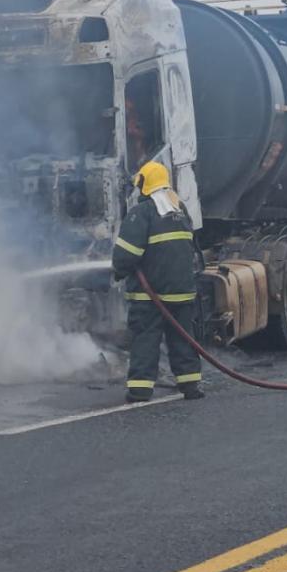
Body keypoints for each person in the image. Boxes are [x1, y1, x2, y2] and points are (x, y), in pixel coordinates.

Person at [112, 161, 205, 402]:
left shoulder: (142, 213)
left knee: (145, 340)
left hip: (150, 295)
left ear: (143, 183)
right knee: (184, 339)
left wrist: (119, 271)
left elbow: (127, 253)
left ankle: (140, 389)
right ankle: (191, 386)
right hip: (182, 292)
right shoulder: (179, 208)